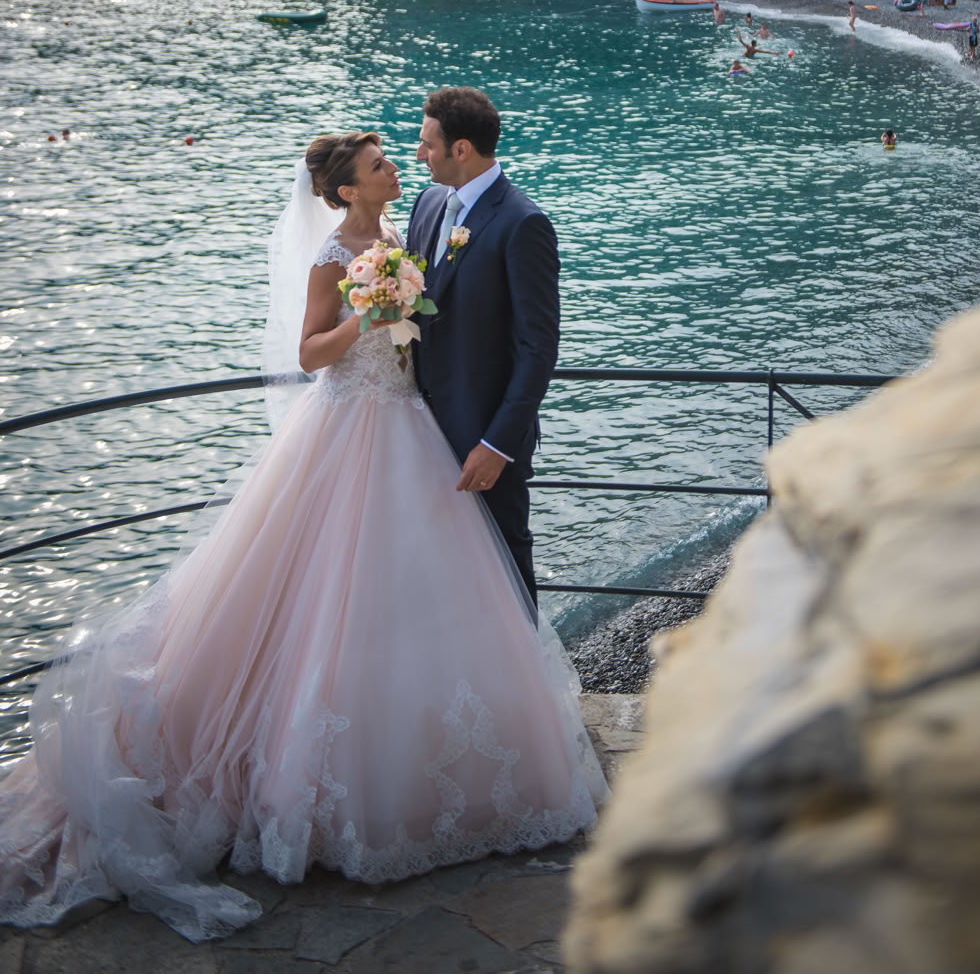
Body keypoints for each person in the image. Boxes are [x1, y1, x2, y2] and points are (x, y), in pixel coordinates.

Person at [0, 128, 604, 939]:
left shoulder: (403, 229)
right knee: (329, 599)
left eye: (400, 156)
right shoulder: (333, 254)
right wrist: (369, 312)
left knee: (423, 601)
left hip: (412, 428)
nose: (399, 167)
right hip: (349, 431)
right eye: (382, 165)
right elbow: (313, 352)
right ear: (349, 189)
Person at [406, 89, 557, 604]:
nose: (419, 153)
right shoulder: (426, 204)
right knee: (430, 569)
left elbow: (539, 347)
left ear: (461, 149)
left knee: (504, 570)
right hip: (415, 433)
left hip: (484, 441)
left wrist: (496, 446)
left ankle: (527, 685)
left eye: (427, 143)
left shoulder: (522, 223)